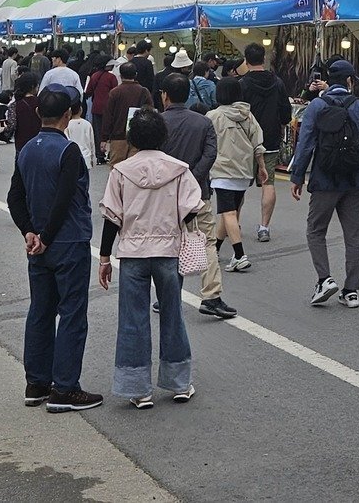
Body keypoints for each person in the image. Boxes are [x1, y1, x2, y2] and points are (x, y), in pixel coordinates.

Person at [98, 108, 204, 408]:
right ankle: (179, 383)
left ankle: (138, 389)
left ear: (132, 138)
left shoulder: (121, 172)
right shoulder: (179, 170)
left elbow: (111, 217)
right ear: (163, 136)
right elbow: (192, 209)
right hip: (168, 252)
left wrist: (104, 257)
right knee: (172, 315)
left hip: (132, 254)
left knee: (132, 319)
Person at [6, 86, 102, 412]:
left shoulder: (26, 150)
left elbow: (15, 197)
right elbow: (64, 199)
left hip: (37, 245)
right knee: (72, 313)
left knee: (41, 310)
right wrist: (46, 235)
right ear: (68, 115)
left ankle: (36, 383)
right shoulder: (69, 150)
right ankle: (65, 388)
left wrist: (29, 232)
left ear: (38, 113)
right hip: (69, 240)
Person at [288, 59, 359, 309]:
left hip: (325, 178)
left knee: (316, 230)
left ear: (329, 80)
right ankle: (351, 291)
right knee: (355, 235)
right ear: (349, 81)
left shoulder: (316, 106)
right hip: (355, 179)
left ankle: (325, 279)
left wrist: (297, 177)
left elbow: (305, 144)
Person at [158, 73, 231, 318]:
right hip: (198, 192)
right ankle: (211, 295)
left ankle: (167, 295)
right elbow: (210, 154)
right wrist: (192, 178)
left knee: (167, 244)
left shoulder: (158, 122)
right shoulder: (203, 122)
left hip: (165, 193)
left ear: (165, 95)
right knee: (206, 242)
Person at [207, 76, 268, 273]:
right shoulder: (248, 115)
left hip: (222, 170)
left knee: (228, 213)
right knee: (230, 212)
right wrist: (261, 167)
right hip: (243, 171)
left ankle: (240, 255)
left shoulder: (213, 116)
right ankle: (215, 249)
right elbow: (258, 143)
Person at [239, 42, 291, 244]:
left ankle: (233, 223)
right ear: (264, 59)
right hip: (270, 138)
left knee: (239, 184)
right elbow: (286, 113)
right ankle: (264, 227)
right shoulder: (277, 83)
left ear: (246, 60)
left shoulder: (242, 84)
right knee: (268, 183)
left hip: (245, 140)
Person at [104, 62, 153, 166]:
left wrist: (104, 137)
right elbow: (150, 113)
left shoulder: (115, 92)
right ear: (135, 74)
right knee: (134, 167)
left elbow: (108, 116)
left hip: (118, 136)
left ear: (120, 75)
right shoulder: (144, 91)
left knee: (116, 167)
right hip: (138, 136)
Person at [85, 57, 118, 163]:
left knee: (98, 131)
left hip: (96, 107)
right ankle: (111, 153)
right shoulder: (111, 77)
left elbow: (88, 91)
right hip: (110, 108)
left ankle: (100, 155)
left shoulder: (94, 76)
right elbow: (115, 92)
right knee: (111, 130)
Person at [9, 71, 43, 154]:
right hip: (40, 142)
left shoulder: (14, 105)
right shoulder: (42, 102)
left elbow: (11, 126)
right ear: (33, 86)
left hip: (22, 144)